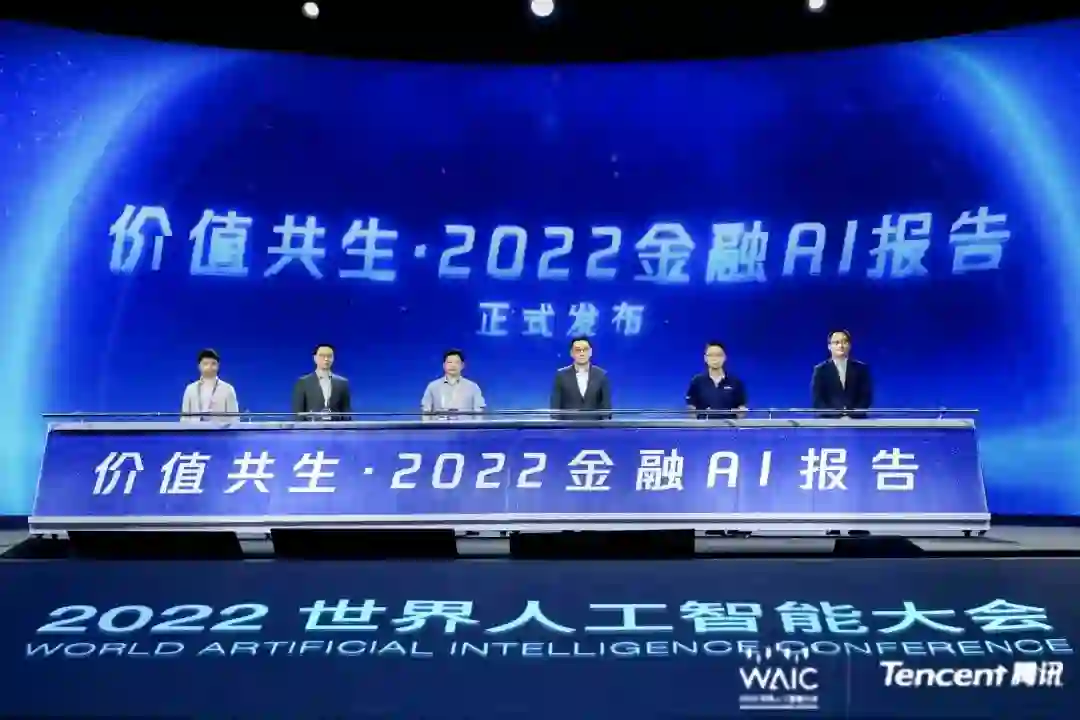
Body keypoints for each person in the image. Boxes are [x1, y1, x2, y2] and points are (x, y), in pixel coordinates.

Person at [811, 329, 872, 417]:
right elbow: (818, 400)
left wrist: (851, 416)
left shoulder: (861, 369)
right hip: (828, 422)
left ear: (850, 346)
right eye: (837, 343)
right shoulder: (820, 370)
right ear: (829, 346)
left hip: (856, 422)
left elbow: (866, 397)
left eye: (844, 342)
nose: (841, 346)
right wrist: (836, 417)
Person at [550, 336, 612, 419]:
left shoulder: (601, 375)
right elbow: (555, 408)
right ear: (571, 353)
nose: (582, 353)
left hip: (594, 426)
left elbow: (606, 408)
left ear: (590, 352)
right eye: (578, 350)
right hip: (568, 426)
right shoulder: (561, 375)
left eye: (585, 350)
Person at [685, 341, 748, 419]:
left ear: (724, 357)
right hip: (704, 426)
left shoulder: (736, 382)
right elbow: (691, 407)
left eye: (718, 355)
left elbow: (741, 408)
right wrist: (698, 424)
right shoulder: (697, 381)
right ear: (705, 358)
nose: (714, 359)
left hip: (728, 426)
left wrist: (741, 413)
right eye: (711, 355)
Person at [421, 349, 486, 421]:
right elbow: (426, 412)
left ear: (462, 365)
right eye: (449, 362)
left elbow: (479, 414)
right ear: (444, 365)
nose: (453, 365)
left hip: (465, 427)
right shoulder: (432, 387)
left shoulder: (473, 387)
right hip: (439, 427)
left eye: (456, 362)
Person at [292, 343, 352, 421]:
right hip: (311, 427)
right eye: (322, 356)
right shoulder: (303, 382)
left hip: (336, 427)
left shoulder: (342, 383)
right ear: (315, 358)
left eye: (329, 356)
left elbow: (346, 412)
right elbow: (298, 413)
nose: (326, 359)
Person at [180, 348, 239, 422]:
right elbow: (184, 418)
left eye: (213, 364)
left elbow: (234, 419)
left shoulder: (228, 389)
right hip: (194, 429)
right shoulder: (190, 389)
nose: (209, 367)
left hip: (220, 429)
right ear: (199, 366)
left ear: (218, 366)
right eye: (205, 364)